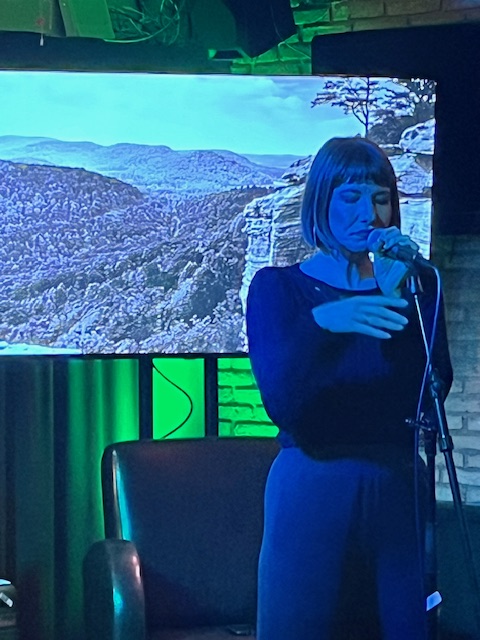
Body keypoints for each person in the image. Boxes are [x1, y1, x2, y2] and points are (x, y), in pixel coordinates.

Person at [246, 137, 453, 640]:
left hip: (397, 485)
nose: (369, 214)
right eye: (351, 197)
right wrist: (324, 324)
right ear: (322, 201)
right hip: (313, 481)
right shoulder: (278, 288)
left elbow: (430, 393)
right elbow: (283, 402)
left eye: (380, 198)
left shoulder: (417, 286)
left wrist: (397, 295)